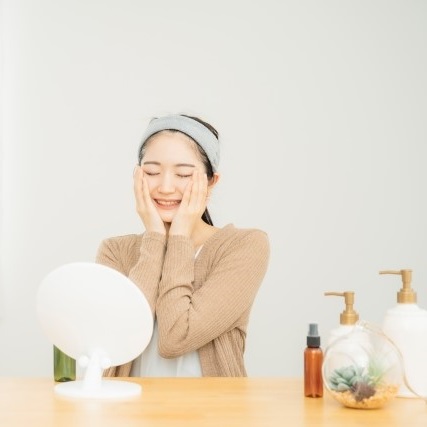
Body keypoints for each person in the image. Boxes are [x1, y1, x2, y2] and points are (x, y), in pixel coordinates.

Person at [96, 113, 270, 377]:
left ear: (211, 182)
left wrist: (179, 237)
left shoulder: (244, 246)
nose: (166, 187)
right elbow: (120, 337)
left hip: (212, 405)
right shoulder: (115, 251)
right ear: (137, 176)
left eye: (183, 174)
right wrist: (155, 237)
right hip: (129, 404)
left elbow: (176, 338)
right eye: (152, 172)